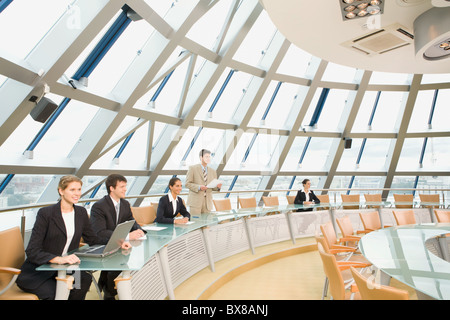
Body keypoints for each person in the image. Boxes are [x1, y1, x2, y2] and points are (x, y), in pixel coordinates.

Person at [16, 175, 129, 300]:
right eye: (72, 190)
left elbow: (93, 239)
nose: (77, 193)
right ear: (61, 191)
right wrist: (58, 259)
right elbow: (32, 250)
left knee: (83, 282)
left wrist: (117, 242)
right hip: (40, 273)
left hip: (68, 268)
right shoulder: (46, 214)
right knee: (56, 293)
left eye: (79, 189)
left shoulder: (80, 213)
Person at [89, 173, 145, 299]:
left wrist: (140, 231)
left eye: (125, 186)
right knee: (120, 261)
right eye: (122, 186)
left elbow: (131, 221)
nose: (125, 189)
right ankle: (109, 292)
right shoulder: (99, 206)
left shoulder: (124, 204)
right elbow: (100, 233)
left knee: (127, 256)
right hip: (103, 243)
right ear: (112, 188)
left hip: (118, 243)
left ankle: (107, 283)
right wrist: (127, 236)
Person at [186, 149, 222, 215]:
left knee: (207, 223)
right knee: (196, 222)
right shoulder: (192, 168)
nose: (208, 158)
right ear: (201, 157)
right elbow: (187, 184)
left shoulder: (213, 171)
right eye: (206, 156)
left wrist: (218, 187)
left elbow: (212, 188)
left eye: (209, 157)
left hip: (207, 203)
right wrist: (199, 187)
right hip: (195, 202)